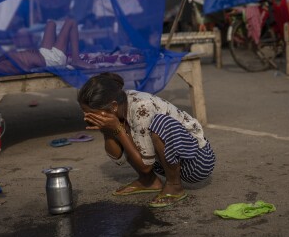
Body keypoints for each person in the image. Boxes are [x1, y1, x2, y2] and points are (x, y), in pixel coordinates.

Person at [77, 72, 215, 208]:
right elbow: (117, 158)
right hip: (166, 163)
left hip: (197, 163)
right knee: (123, 128)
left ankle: (174, 186)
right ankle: (149, 181)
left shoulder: (142, 106)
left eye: (90, 112)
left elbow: (146, 166)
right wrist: (107, 130)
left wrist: (118, 131)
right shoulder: (119, 105)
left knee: (159, 123)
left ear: (113, 106)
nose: (86, 116)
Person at [0, 18, 91, 75]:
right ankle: (76, 59)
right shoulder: (1, 67)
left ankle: (69, 50)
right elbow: (25, 69)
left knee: (50, 23)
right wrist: (30, 60)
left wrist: (29, 55)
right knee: (71, 22)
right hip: (51, 60)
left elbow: (21, 61)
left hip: (42, 53)